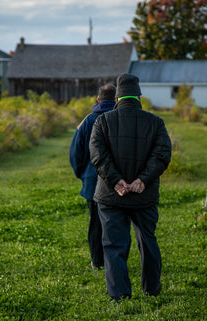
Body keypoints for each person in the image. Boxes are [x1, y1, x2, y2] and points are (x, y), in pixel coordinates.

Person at [89, 73, 172, 300]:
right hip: (143, 196)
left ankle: (120, 295)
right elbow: (163, 154)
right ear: (138, 96)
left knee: (114, 245)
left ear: (116, 99)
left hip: (110, 196)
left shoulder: (102, 121)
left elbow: (97, 155)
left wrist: (116, 181)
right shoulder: (156, 122)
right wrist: (142, 181)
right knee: (148, 241)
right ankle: (151, 289)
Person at [69, 84, 116, 270]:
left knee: (95, 223)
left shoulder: (87, 121)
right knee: (115, 223)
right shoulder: (118, 119)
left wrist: (82, 174)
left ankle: (97, 262)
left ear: (98, 100)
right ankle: (113, 260)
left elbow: (75, 153)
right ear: (115, 101)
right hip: (116, 182)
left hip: (92, 182)